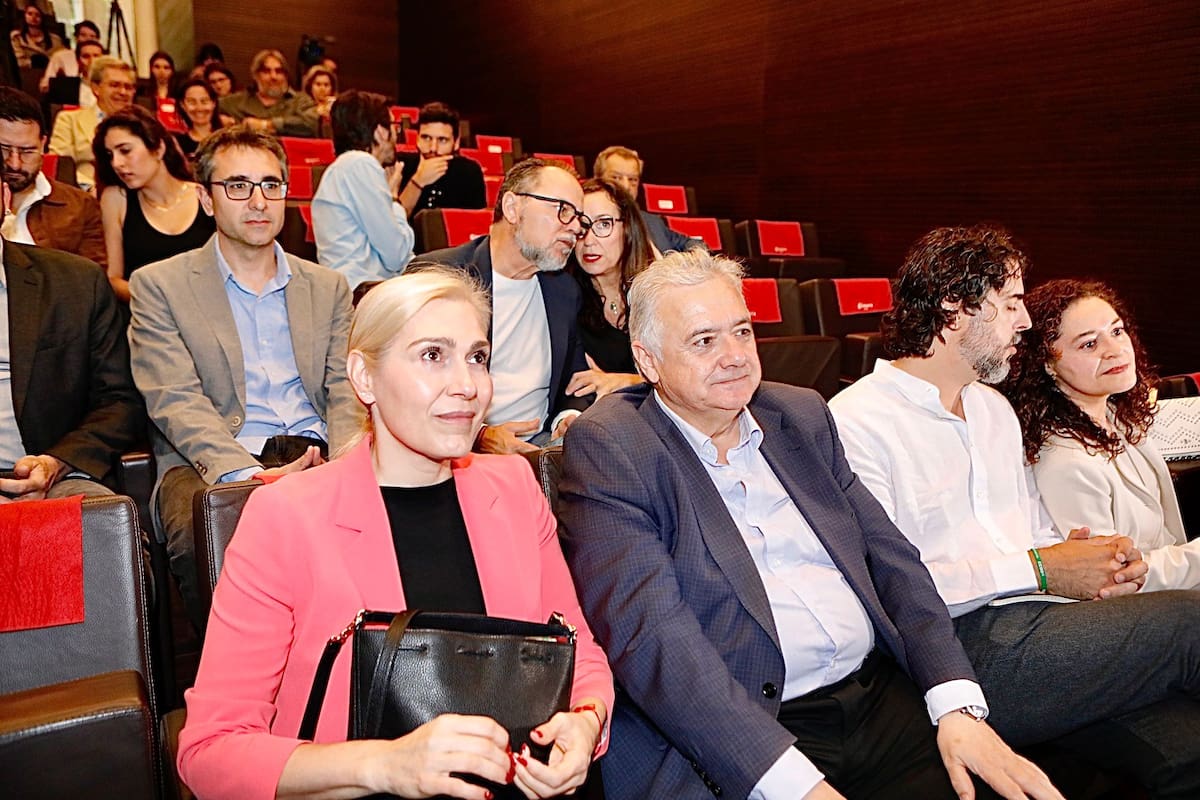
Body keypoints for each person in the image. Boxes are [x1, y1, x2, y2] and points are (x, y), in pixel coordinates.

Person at [558, 249, 1061, 800]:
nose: (734, 357)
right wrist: (796, 786)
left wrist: (956, 705)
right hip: (750, 729)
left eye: (742, 332)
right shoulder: (614, 445)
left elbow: (892, 561)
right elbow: (654, 638)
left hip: (876, 697)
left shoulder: (799, 414)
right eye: (704, 341)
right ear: (648, 360)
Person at [177, 266, 614, 800]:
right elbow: (210, 752)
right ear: (364, 378)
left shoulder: (514, 487)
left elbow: (577, 650)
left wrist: (586, 722)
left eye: (477, 357)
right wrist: (384, 765)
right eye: (433, 355)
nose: (467, 385)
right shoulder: (284, 517)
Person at [828, 225, 1200, 797]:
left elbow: (1033, 534)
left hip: (1042, 627)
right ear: (955, 310)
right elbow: (889, 591)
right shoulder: (855, 422)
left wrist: (1086, 558)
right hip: (953, 650)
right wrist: (1042, 566)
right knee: (1191, 618)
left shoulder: (993, 409)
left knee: (1185, 748)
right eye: (1009, 304)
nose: (1024, 321)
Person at [128, 126, 361, 631]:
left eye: (271, 185)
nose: (258, 201)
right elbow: (174, 399)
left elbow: (345, 388)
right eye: (237, 186)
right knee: (208, 525)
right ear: (206, 201)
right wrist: (248, 476)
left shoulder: (328, 286)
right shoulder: (160, 285)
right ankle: (239, 688)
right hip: (215, 455)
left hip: (316, 447)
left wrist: (345, 462)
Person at [999, 278, 1196, 589]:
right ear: (1048, 364)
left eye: (1117, 331)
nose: (1115, 350)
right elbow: (1114, 577)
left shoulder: (1116, 414)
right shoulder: (1065, 463)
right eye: (1089, 344)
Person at [421, 158, 590, 453]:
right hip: (457, 447)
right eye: (563, 211)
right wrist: (481, 435)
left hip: (544, 446)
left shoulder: (564, 290)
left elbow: (574, 382)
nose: (576, 228)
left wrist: (568, 418)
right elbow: (414, 388)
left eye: (579, 218)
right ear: (512, 208)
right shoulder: (440, 277)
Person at [0, 235, 142, 502]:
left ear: (5, 197)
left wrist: (55, 463)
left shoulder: (76, 283)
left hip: (55, 477)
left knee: (102, 528)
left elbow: (120, 402)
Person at [94, 106, 214, 303]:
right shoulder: (116, 198)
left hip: (207, 311)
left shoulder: (203, 195)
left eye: (125, 151)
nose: (116, 163)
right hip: (146, 315)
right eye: (110, 155)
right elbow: (113, 278)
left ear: (158, 149)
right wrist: (162, 302)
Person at [311, 89, 413, 290]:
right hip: (363, 292)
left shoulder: (345, 168)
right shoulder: (360, 164)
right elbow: (397, 255)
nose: (395, 136)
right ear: (380, 131)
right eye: (393, 127)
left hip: (359, 288)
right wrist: (394, 201)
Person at [564, 178, 650, 398]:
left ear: (628, 228)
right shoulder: (564, 298)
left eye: (604, 224)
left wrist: (627, 381)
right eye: (582, 226)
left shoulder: (656, 293)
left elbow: (683, 378)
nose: (589, 240)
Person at [0, 86, 106, 266]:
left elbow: (93, 284)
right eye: (3, 149)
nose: (14, 163)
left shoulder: (80, 207)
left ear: (43, 144)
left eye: (27, 151)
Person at [593, 145, 703, 256]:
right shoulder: (587, 223)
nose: (626, 186)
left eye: (632, 180)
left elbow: (694, 244)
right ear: (597, 180)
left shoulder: (653, 222)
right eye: (616, 177)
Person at [49, 55, 135, 191]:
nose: (123, 92)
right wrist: (90, 188)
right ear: (96, 88)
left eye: (128, 87)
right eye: (114, 85)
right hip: (86, 193)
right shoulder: (69, 120)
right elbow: (61, 166)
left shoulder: (142, 126)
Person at [397, 101, 486, 214]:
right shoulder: (401, 165)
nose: (433, 148)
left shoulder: (469, 172)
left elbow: (475, 224)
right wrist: (417, 181)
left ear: (456, 142)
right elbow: (393, 224)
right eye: (426, 138)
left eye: (442, 140)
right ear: (417, 138)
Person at [219, 49, 318, 137]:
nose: (273, 77)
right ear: (255, 75)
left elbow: (312, 124)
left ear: (285, 76)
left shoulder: (301, 101)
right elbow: (209, 107)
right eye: (266, 71)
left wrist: (267, 125)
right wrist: (218, 120)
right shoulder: (236, 102)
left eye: (279, 71)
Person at [39, 21, 102, 102]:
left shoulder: (104, 60)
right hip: (70, 101)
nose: (88, 39)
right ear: (76, 37)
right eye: (83, 35)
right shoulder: (60, 56)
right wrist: (60, 83)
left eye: (92, 36)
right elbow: (44, 87)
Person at [173, 77, 221, 158]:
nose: (199, 108)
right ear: (182, 105)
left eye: (204, 101)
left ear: (214, 103)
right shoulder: (177, 144)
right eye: (191, 102)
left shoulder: (227, 139)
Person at [9, 2, 63, 69]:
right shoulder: (17, 37)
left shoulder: (55, 39)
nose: (33, 17)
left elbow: (61, 60)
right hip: (28, 74)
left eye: (37, 15)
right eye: (30, 14)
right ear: (24, 16)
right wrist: (32, 63)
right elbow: (17, 61)